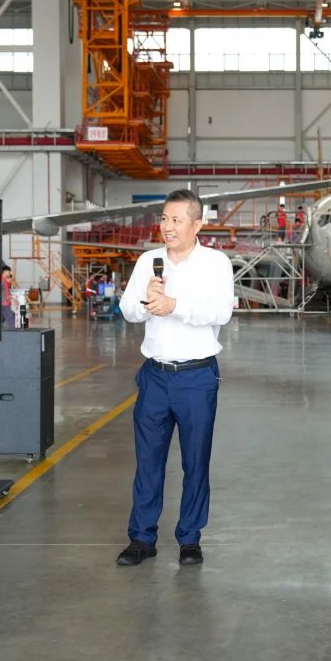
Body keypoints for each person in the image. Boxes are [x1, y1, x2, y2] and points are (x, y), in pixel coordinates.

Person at [116, 189, 236, 567]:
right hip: (155, 376)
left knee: (195, 462)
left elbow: (222, 312)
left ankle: (190, 539)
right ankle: (142, 538)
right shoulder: (148, 261)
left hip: (196, 378)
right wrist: (146, 300)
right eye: (164, 219)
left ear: (197, 225)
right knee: (148, 461)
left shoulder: (215, 263)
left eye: (176, 220)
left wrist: (175, 306)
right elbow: (127, 309)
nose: (168, 227)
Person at [0, 264, 15, 328]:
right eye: (9, 272)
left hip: (2, 302)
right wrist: (11, 300)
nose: (9, 273)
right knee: (10, 318)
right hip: (4, 303)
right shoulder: (3, 280)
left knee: (2, 317)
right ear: (5, 271)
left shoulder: (2, 279)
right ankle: (14, 331)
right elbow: (6, 292)